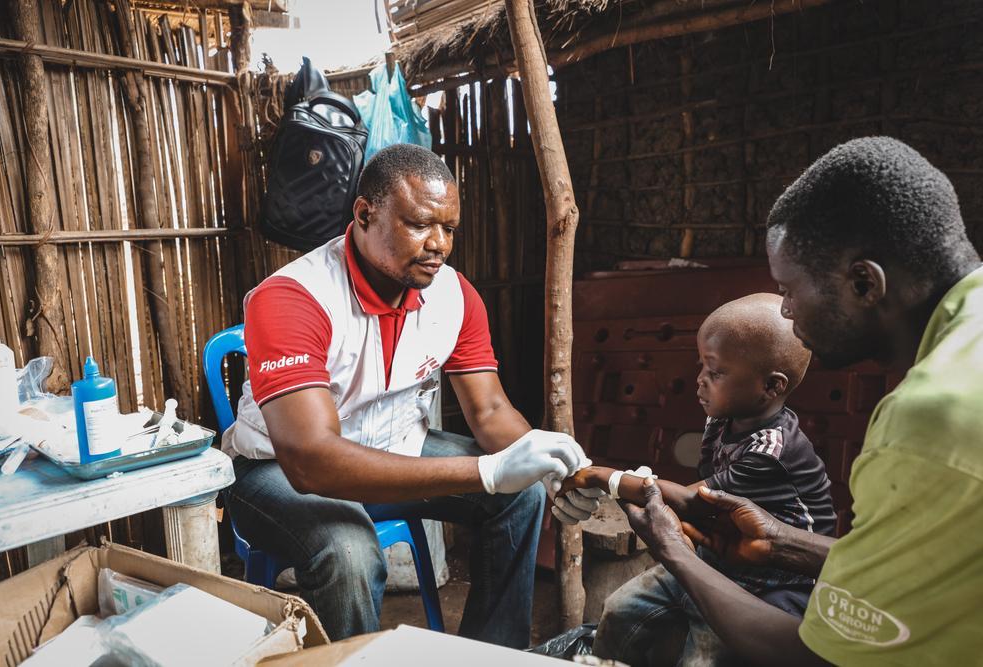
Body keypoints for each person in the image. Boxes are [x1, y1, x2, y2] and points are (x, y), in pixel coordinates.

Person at [221, 143, 602, 647]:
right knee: (350, 553)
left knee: (523, 495)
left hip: (397, 448)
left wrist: (553, 466)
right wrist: (488, 471)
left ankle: (489, 658)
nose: (439, 244)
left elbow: (488, 410)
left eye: (449, 229)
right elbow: (310, 460)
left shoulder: (455, 295)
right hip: (276, 472)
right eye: (420, 224)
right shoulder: (294, 298)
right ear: (364, 214)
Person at [621, 137, 983, 665]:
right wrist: (788, 542)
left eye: (790, 289)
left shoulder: (928, 419)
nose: (786, 311)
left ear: (864, 282)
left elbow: (813, 658)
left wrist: (673, 551)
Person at [560, 293, 835, 666]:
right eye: (702, 366)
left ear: (771, 387)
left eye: (715, 372)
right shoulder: (726, 417)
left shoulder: (771, 452)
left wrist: (600, 476)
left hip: (773, 585)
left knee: (703, 658)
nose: (700, 381)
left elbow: (693, 501)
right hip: (717, 556)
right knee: (619, 610)